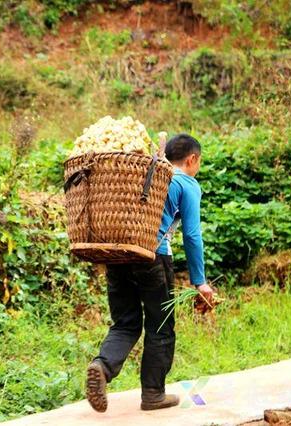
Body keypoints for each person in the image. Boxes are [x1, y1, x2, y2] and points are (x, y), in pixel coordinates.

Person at [85, 133, 215, 413]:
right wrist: (199, 281)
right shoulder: (186, 183)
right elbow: (192, 235)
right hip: (153, 256)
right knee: (160, 326)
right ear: (192, 159)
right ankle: (153, 394)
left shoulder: (144, 172)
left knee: (125, 323)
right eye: (198, 162)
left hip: (119, 253)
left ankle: (102, 366)